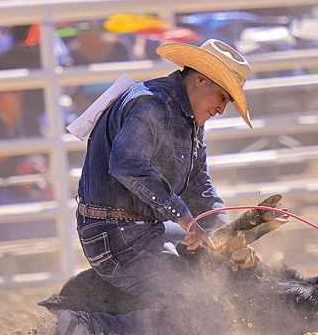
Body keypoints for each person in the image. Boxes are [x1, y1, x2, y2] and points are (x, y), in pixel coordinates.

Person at [58, 39, 258, 335]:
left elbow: (198, 186)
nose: (222, 108)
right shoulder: (151, 103)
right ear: (200, 79)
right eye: (223, 96)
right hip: (116, 234)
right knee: (205, 316)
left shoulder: (185, 116)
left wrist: (228, 235)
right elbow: (127, 164)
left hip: (137, 229)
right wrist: (184, 217)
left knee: (214, 259)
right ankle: (94, 327)